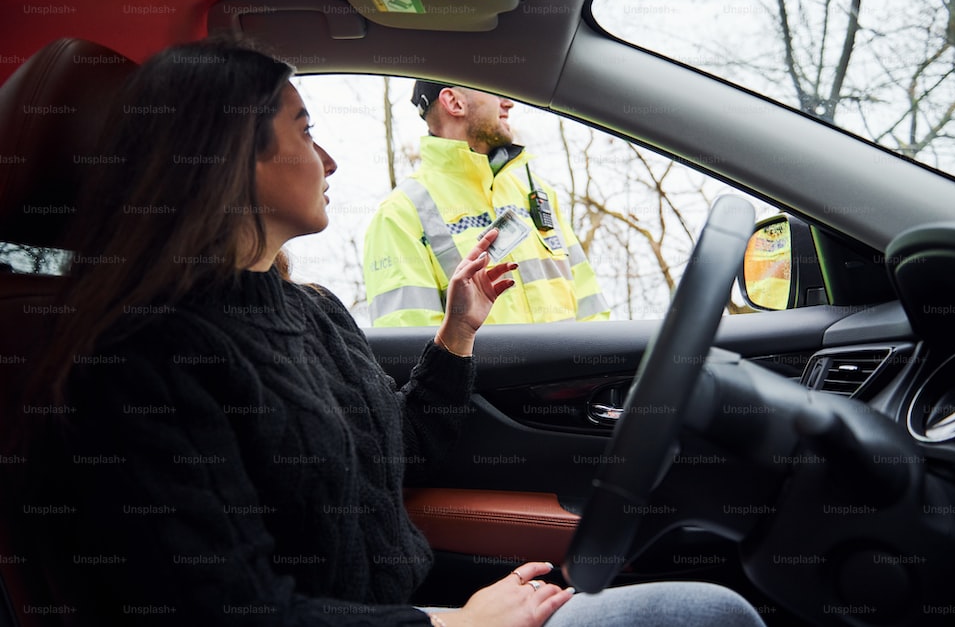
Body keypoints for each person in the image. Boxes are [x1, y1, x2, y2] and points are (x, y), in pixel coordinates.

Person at [11, 39, 765, 627]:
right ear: (226, 156)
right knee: (712, 614)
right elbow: (220, 610)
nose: (330, 157)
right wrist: (454, 622)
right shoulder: (135, 361)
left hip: (410, 604)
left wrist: (459, 332)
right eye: (304, 130)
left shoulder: (309, 310)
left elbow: (391, 454)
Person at [362, 81, 611, 327]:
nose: (509, 103)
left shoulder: (538, 192)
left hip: (574, 368)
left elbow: (592, 310)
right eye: (496, 90)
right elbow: (413, 351)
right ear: (454, 102)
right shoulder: (400, 214)